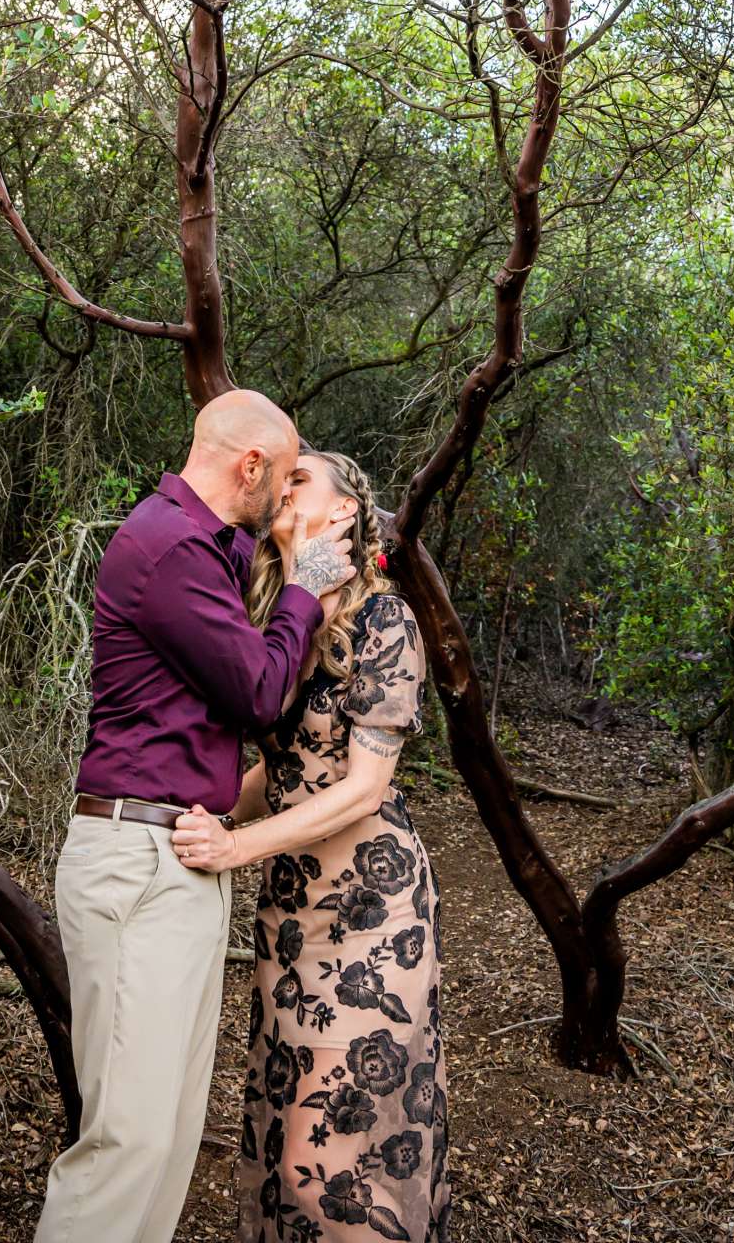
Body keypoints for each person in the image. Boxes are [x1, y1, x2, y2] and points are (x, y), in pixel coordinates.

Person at [35, 389, 357, 1243]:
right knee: (128, 1139)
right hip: (137, 857)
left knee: (171, 1137)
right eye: (285, 479)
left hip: (177, 856)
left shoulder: (206, 550)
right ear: (250, 466)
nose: (287, 497)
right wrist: (312, 585)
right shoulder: (170, 544)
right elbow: (257, 690)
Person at [174, 448, 450, 1243]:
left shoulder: (384, 620)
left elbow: (362, 788)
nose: (280, 485)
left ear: (345, 512)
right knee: (290, 1151)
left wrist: (235, 846)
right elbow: (281, 767)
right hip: (291, 916)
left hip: (373, 912)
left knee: (322, 1168)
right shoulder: (280, 618)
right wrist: (202, 809)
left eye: (299, 477)